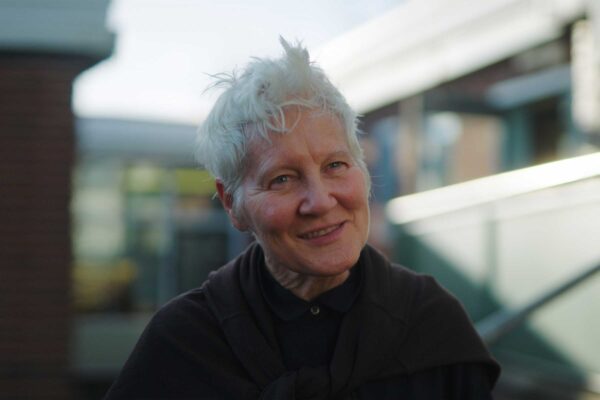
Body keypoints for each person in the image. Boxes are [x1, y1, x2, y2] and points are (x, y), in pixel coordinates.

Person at [104, 38, 500, 400]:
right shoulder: (185, 342)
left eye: (336, 165)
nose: (320, 201)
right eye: (282, 179)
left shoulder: (431, 322)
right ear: (232, 203)